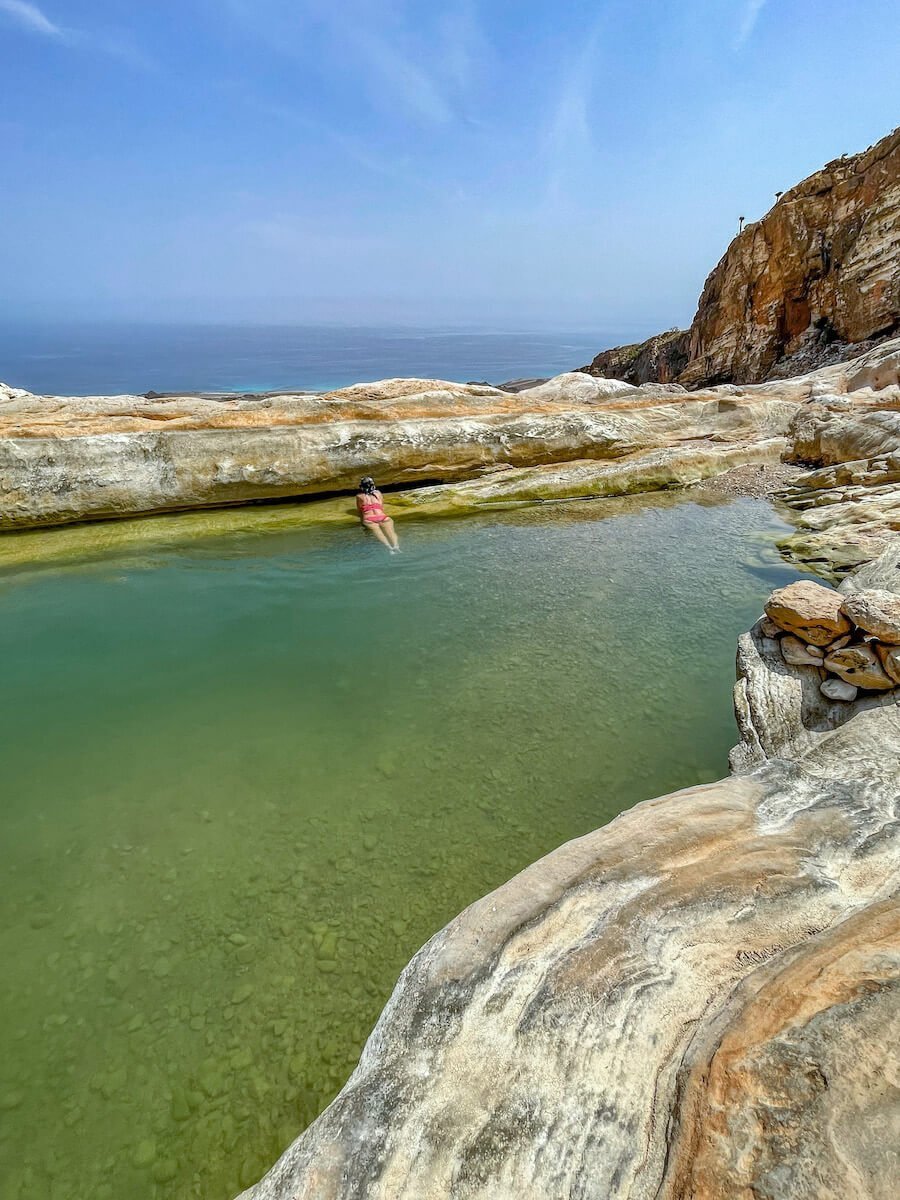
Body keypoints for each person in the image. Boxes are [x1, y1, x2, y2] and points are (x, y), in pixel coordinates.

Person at [356, 476, 400, 552]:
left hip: (369, 519)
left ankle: (389, 548)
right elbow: (381, 507)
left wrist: (362, 523)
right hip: (383, 517)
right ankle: (396, 546)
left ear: (361, 486)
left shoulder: (359, 496)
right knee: (391, 532)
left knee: (379, 533)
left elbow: (360, 511)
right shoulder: (378, 493)